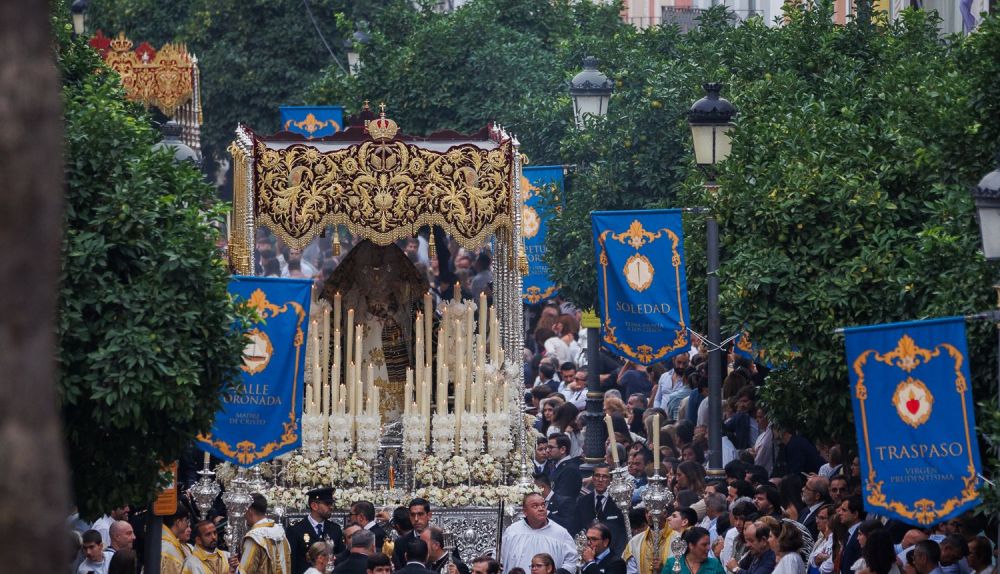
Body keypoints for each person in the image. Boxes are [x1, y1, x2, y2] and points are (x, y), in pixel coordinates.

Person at [500, 493, 577, 574]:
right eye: (535, 506)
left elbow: (571, 561)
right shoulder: (513, 531)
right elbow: (500, 558)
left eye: (543, 505)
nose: (541, 509)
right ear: (525, 511)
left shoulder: (560, 533)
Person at [288, 487, 346, 574]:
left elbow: (341, 557)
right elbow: (292, 562)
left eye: (331, 504)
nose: (331, 507)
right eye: (327, 504)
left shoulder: (335, 529)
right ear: (314, 506)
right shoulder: (296, 530)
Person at [576, 464, 628, 557]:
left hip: (613, 552)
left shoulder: (619, 502)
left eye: (604, 477)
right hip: (587, 552)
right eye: (597, 476)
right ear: (592, 478)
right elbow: (577, 527)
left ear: (611, 480)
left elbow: (623, 532)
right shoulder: (582, 501)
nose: (600, 480)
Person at [238, 493, 292, 574]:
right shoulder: (280, 534)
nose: (244, 515)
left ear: (250, 510)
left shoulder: (254, 538)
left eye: (244, 511)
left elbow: (244, 571)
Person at [624, 509, 681, 574]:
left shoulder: (679, 539)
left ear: (665, 513)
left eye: (654, 510)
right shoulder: (635, 542)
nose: (649, 514)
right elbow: (630, 570)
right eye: (647, 511)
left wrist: (665, 569)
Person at [662, 526, 726, 574]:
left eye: (708, 544)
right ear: (691, 546)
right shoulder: (672, 563)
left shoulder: (714, 564)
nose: (708, 548)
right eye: (704, 545)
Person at [394, 498, 434, 569]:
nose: (416, 519)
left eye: (420, 514)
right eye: (412, 515)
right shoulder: (400, 543)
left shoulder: (441, 539)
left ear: (429, 515)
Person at [548, 434, 583, 498]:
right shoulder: (560, 466)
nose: (547, 450)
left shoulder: (570, 469)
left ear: (562, 449)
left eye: (551, 447)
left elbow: (562, 497)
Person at [837, 497, 865, 574]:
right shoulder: (848, 533)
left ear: (855, 514)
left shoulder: (863, 535)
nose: (840, 513)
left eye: (844, 510)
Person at [162, 506, 192, 574]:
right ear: (178, 522)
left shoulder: (165, 543)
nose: (187, 525)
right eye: (186, 521)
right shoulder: (168, 548)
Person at [806, 506, 834, 574]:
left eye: (822, 518)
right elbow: (812, 560)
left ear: (831, 520)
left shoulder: (834, 540)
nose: (817, 521)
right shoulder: (820, 539)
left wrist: (821, 557)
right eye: (817, 517)